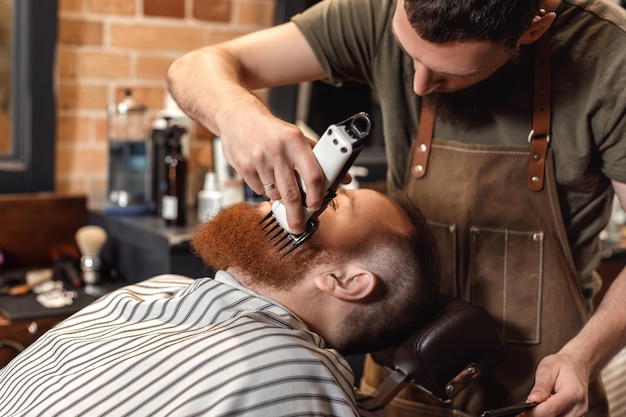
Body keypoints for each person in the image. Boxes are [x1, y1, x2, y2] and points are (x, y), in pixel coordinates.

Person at [165, 0, 626, 416]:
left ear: (532, 29)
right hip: (398, 381)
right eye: (410, 56)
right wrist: (239, 115)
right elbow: (195, 67)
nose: (421, 86)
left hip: (541, 395)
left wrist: (581, 358)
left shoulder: (609, 57)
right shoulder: (374, 12)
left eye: (450, 73)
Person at [0, 189, 440, 416]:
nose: (300, 191)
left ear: (345, 281)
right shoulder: (160, 287)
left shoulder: (289, 373)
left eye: (335, 202)